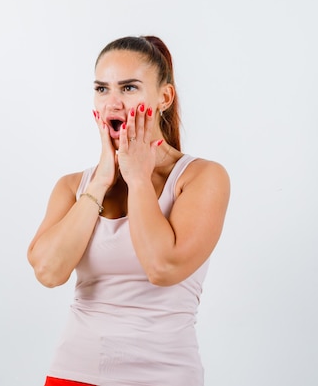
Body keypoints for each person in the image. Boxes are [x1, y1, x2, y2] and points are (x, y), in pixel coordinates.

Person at [27, 35, 230, 386]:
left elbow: (162, 267)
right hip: (75, 371)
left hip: (165, 375)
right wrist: (101, 179)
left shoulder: (201, 177)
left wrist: (137, 179)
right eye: (102, 89)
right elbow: (48, 271)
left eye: (129, 88)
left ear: (164, 97)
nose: (113, 102)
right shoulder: (73, 186)